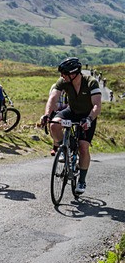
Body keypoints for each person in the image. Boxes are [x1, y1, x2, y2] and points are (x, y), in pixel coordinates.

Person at [38, 57, 102, 194]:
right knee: (54, 124)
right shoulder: (63, 81)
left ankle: (82, 181)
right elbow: (53, 98)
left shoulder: (91, 82)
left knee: (83, 147)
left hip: (87, 115)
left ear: (73, 73)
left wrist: (89, 119)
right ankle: (65, 147)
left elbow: (97, 105)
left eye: (64, 73)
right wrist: (47, 115)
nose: (62, 76)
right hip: (71, 111)